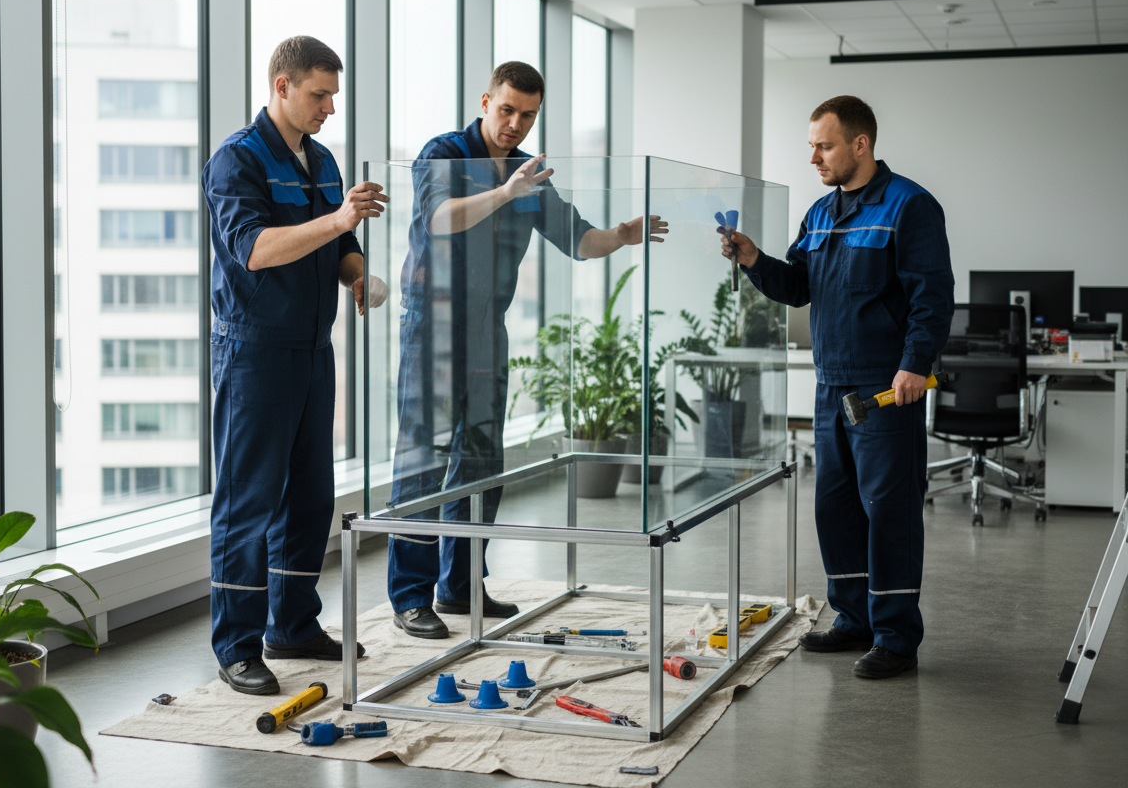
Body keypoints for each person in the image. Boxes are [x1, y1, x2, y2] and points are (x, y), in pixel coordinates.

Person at [388, 61, 668, 639]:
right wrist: (504, 192)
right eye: (507, 109)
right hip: (433, 327)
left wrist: (621, 235)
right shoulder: (444, 153)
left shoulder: (527, 172)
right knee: (424, 458)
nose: (516, 124)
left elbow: (577, 239)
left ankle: (461, 587)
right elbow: (437, 220)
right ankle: (410, 597)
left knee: (483, 458)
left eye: (529, 115)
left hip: (491, 326)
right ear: (485, 100)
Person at [720, 96, 953, 679]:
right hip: (831, 387)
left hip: (883, 389)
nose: (814, 157)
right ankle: (852, 618)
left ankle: (896, 635)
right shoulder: (821, 213)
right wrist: (753, 259)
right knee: (837, 508)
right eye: (811, 147)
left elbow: (932, 297)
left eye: (823, 146)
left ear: (860, 145)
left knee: (888, 510)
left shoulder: (911, 206)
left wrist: (914, 364)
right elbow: (799, 286)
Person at [204, 36, 388, 694]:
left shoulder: (323, 159)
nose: (329, 107)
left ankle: (293, 624)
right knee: (248, 502)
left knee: (309, 496)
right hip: (254, 351)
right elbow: (253, 249)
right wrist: (338, 220)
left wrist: (361, 275)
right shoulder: (236, 161)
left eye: (334, 96)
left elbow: (344, 244)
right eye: (319, 95)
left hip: (315, 349)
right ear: (281, 87)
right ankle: (237, 645)